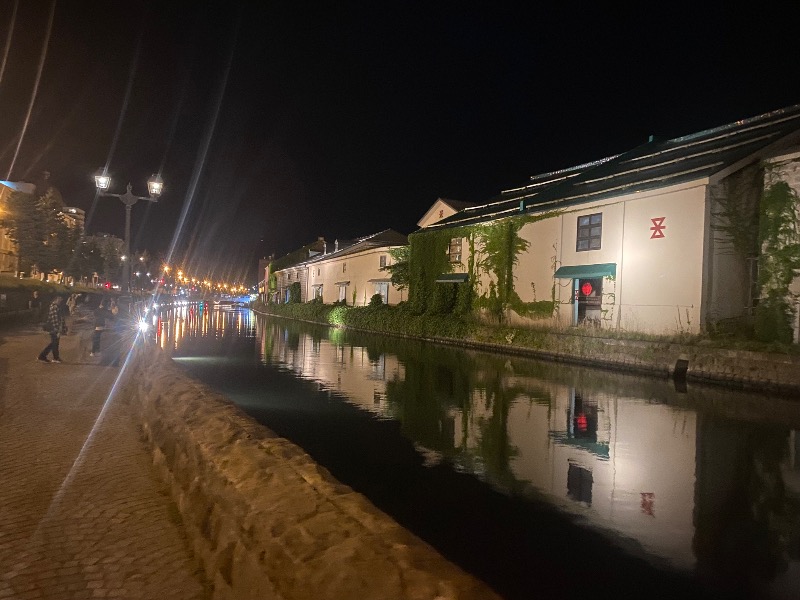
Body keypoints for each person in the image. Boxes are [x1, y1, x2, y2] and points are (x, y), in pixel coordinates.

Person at [38, 296, 68, 363]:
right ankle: (54, 358)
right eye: (59, 299)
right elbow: (55, 320)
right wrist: (57, 330)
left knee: (54, 343)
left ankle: (43, 356)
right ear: (56, 299)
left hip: (53, 328)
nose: (61, 301)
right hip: (53, 328)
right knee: (55, 343)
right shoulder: (54, 307)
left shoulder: (55, 307)